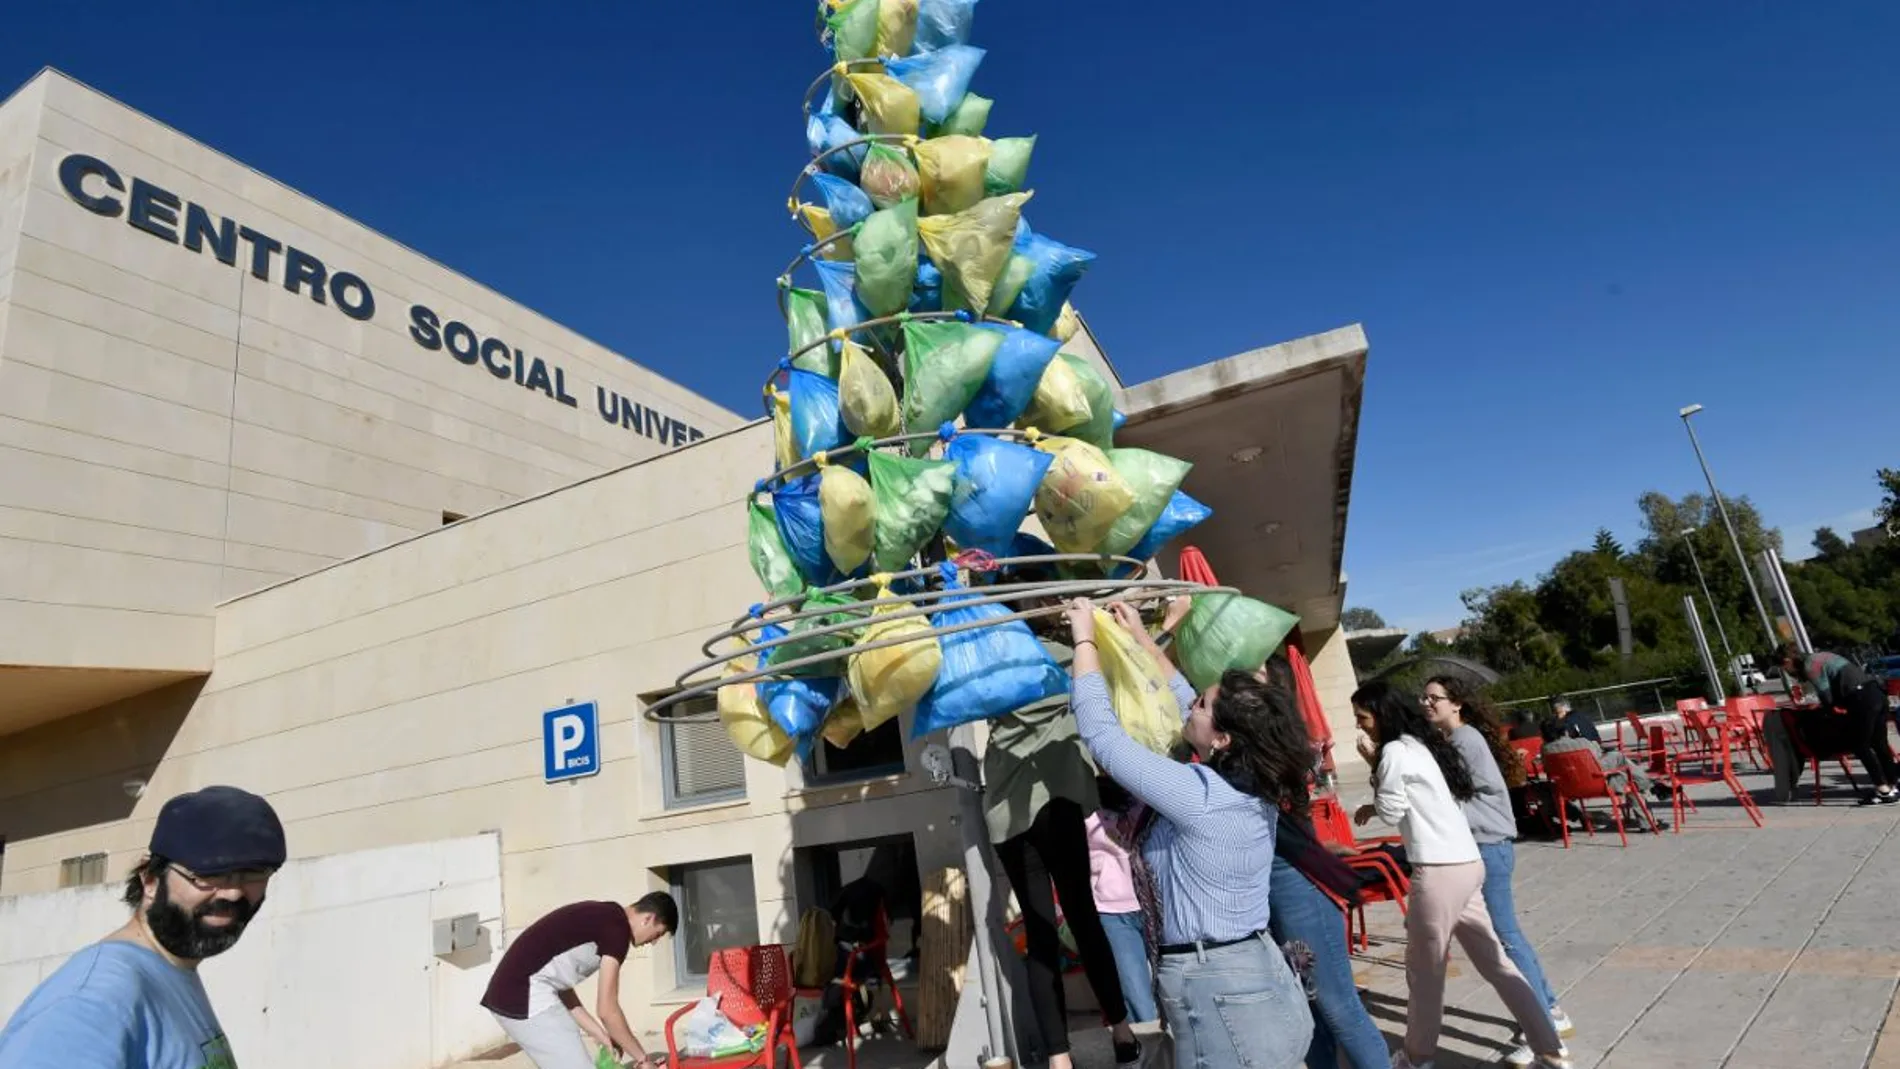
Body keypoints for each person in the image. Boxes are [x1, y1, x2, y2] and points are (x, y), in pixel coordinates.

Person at [1066, 598, 1315, 1069]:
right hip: (1255, 973)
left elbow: (1103, 735)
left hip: (1218, 986)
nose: (1191, 700)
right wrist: (1140, 638)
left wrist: (1084, 640)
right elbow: (1185, 698)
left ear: (1222, 739)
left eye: (1202, 703)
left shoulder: (1198, 793)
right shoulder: (1250, 785)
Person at [1351, 681, 1569, 1069]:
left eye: (1363, 718)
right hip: (1468, 863)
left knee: (1424, 972)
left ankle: (1416, 1058)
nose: (1360, 725)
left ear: (1381, 715)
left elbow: (1392, 808)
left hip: (1438, 871)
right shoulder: (1421, 746)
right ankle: (1549, 1047)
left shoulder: (1395, 752)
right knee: (1495, 961)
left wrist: (1375, 771)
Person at [0, 785, 287, 1068]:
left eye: (254, 872)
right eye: (208, 874)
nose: (233, 893)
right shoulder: (94, 1000)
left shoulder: (171, 973)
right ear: (150, 879)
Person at [982, 598, 1141, 1068]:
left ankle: (1058, 1057)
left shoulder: (994, 664)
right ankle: (1120, 1029)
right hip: (1058, 798)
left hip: (1008, 807)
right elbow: (1121, 677)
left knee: (1039, 932)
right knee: (1083, 917)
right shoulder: (1067, 653)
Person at [1423, 676, 1574, 1066]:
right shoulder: (1456, 741)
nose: (1427, 703)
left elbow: (1469, 797)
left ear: (1456, 704)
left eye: (1434, 697)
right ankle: (1550, 1010)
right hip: (1486, 844)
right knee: (1507, 936)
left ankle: (1544, 1027)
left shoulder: (1465, 740)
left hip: (1488, 845)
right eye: (1423, 698)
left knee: (1504, 940)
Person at [480, 892, 679, 1069]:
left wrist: (598, 1033)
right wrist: (643, 1059)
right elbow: (607, 1009)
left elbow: (559, 983)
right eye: (658, 933)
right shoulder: (617, 930)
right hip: (523, 995)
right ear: (648, 918)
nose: (653, 942)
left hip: (515, 992)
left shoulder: (606, 916)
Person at [1779, 642, 1899, 805]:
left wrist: (1823, 710)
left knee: (1859, 745)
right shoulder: (1821, 656)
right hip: (1875, 693)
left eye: (1784, 668)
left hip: (1860, 699)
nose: (1787, 672)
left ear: (1787, 661)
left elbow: (1827, 696)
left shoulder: (1810, 665)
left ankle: (1882, 789)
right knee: (1880, 744)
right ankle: (1893, 785)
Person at [1087, 776, 1159, 1025]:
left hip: (1157, 905)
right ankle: (1153, 1057)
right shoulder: (1082, 798)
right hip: (1111, 911)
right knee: (1136, 995)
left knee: (1175, 988)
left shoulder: (1149, 788)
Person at [1539, 720, 1669, 829]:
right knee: (1624, 770)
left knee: (1623, 771)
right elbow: (1596, 760)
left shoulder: (1545, 749)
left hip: (1568, 790)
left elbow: (1548, 770)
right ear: (1565, 731)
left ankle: (1652, 789)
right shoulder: (1581, 742)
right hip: (1598, 785)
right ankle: (1649, 812)